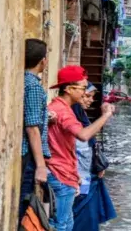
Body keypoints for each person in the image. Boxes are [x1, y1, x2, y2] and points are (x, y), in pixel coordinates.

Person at [46, 66, 115, 231]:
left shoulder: (57, 109)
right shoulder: (63, 112)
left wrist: (74, 175)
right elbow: (83, 135)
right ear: (69, 89)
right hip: (60, 173)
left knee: (67, 223)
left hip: (66, 174)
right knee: (62, 225)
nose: (85, 94)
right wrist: (106, 115)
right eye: (83, 89)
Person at [19, 39, 57, 224]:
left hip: (27, 155)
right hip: (29, 156)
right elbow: (32, 128)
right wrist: (41, 166)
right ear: (43, 61)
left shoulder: (23, 81)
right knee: (26, 208)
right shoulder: (33, 86)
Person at [71, 82, 117, 230]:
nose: (91, 100)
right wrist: (106, 115)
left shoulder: (80, 114)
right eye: (87, 96)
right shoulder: (70, 116)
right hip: (79, 177)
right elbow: (84, 139)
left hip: (86, 176)